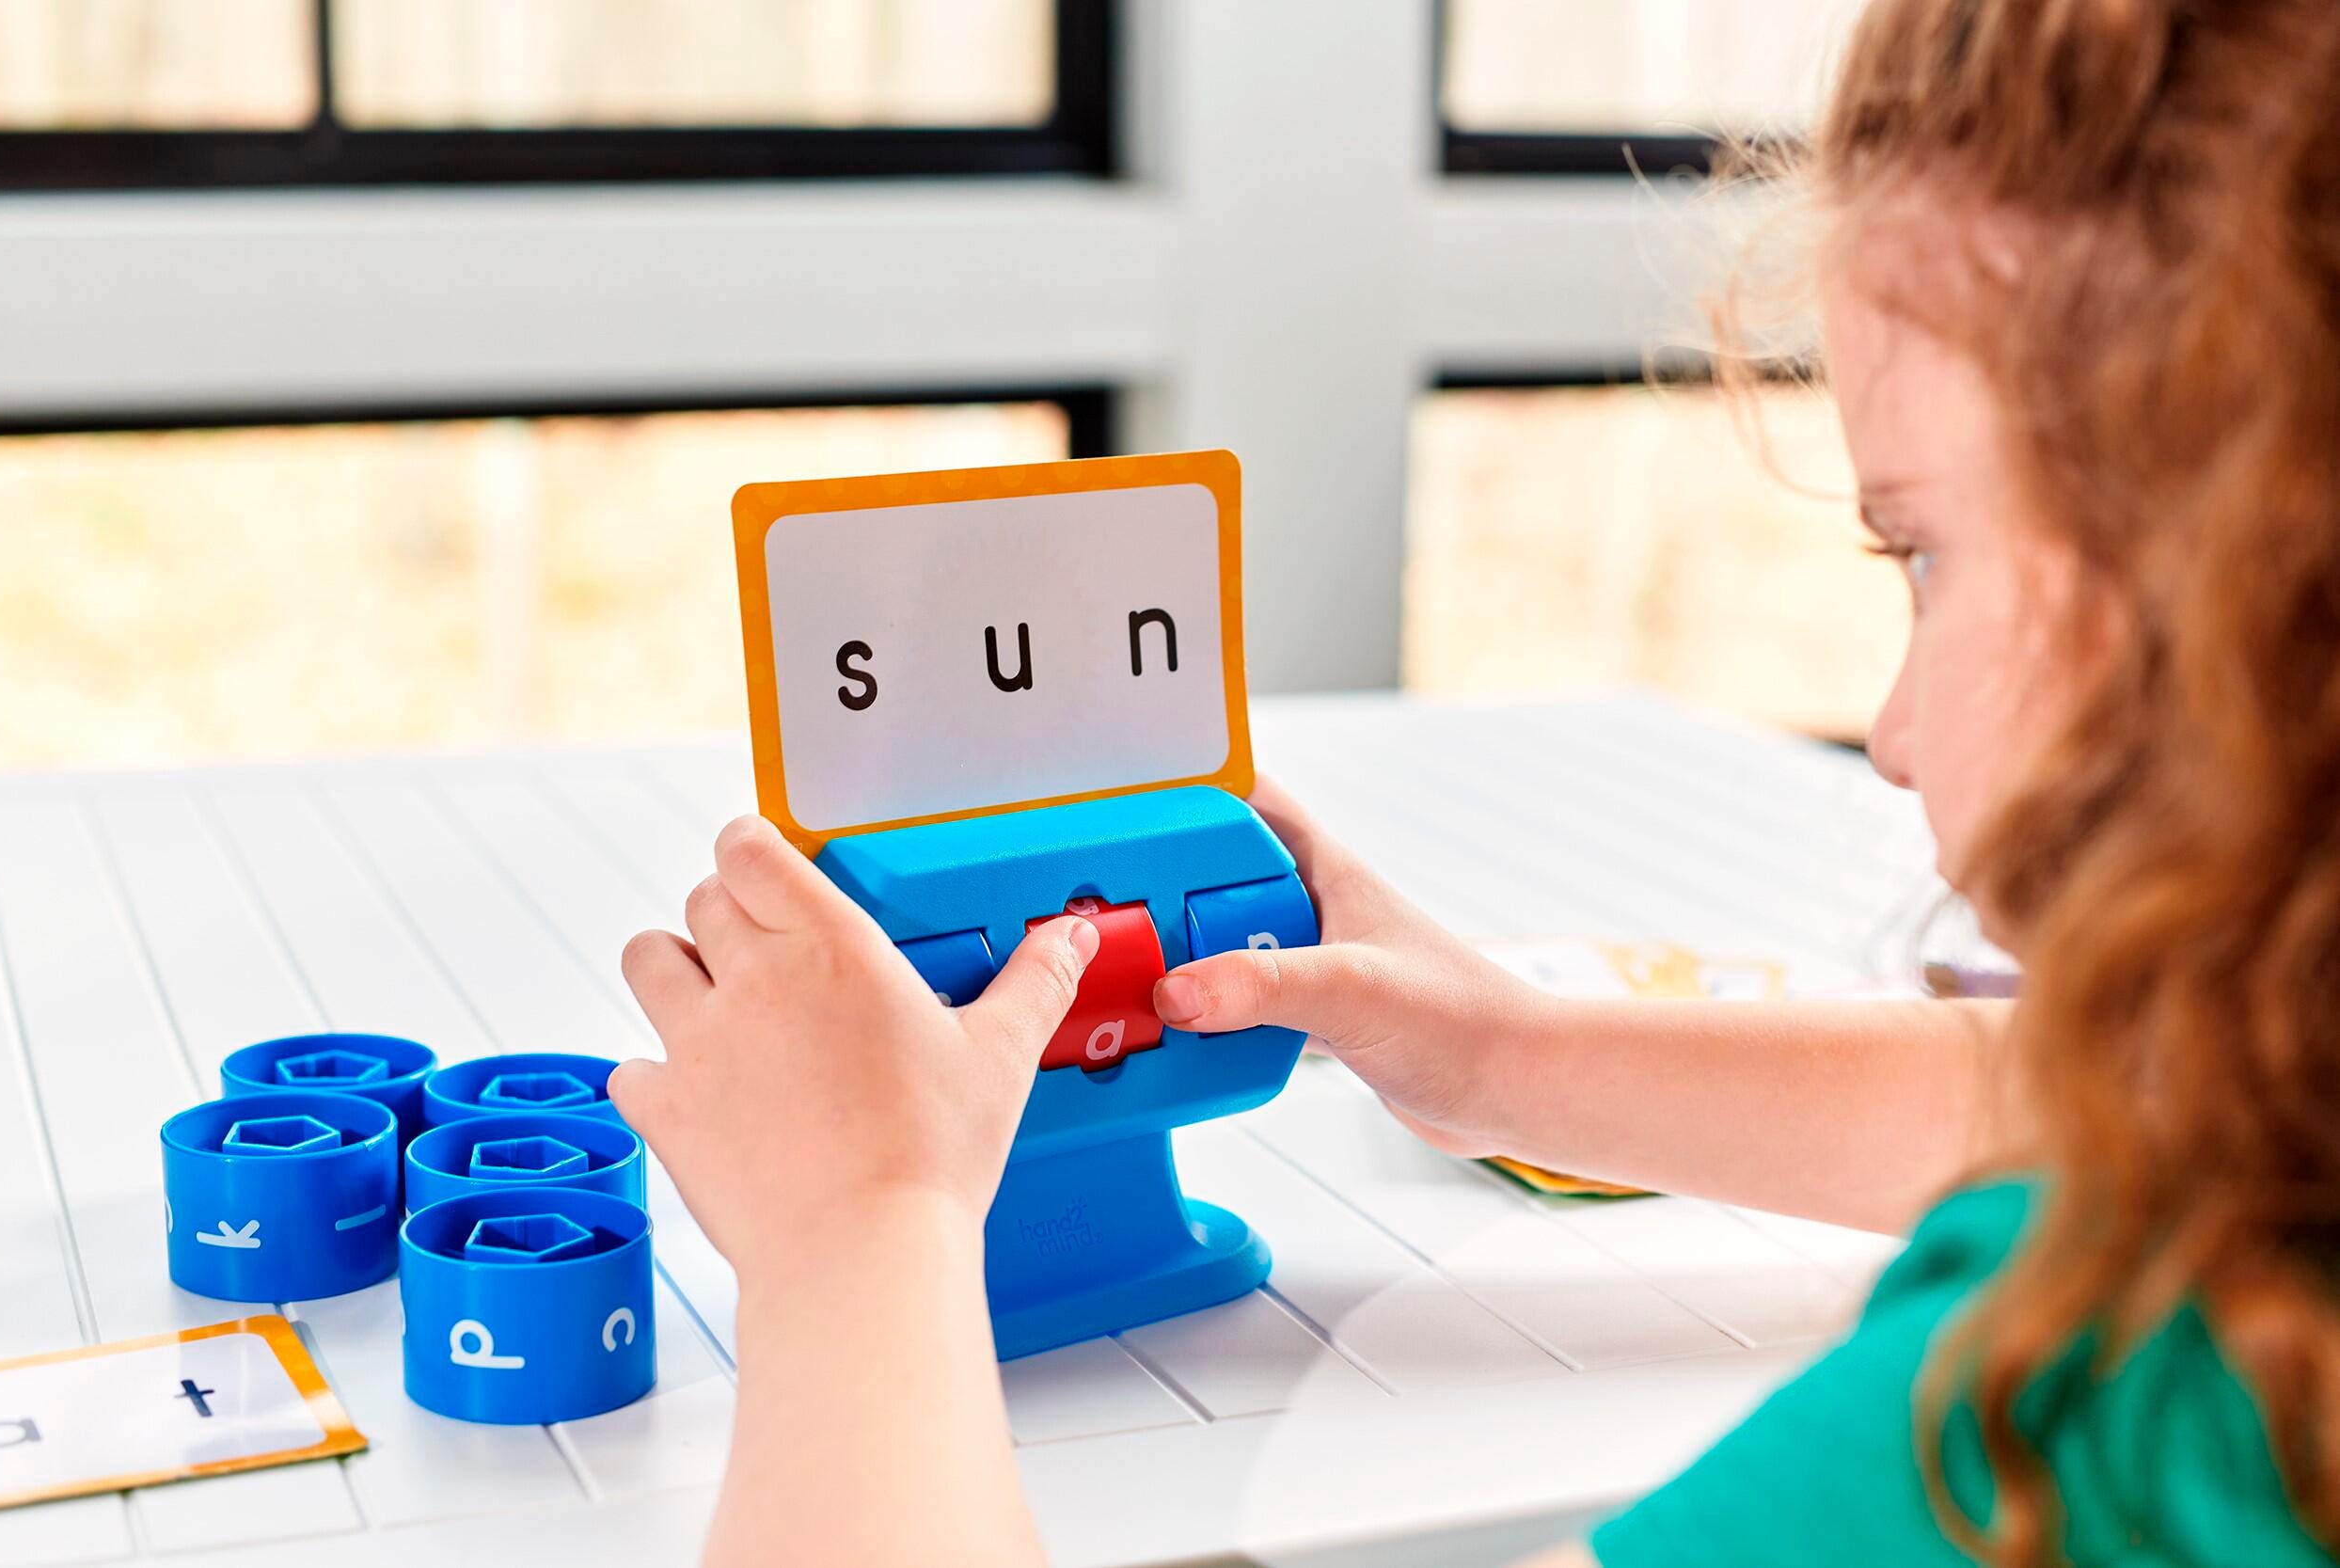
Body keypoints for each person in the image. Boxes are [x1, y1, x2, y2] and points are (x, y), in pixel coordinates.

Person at [606, 1, 2340, 1561]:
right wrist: (1511, 1062)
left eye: (1926, 555)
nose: (1888, 732)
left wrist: (858, 1243)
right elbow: (2142, 1094)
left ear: (2244, 589)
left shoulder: (2102, 1405)